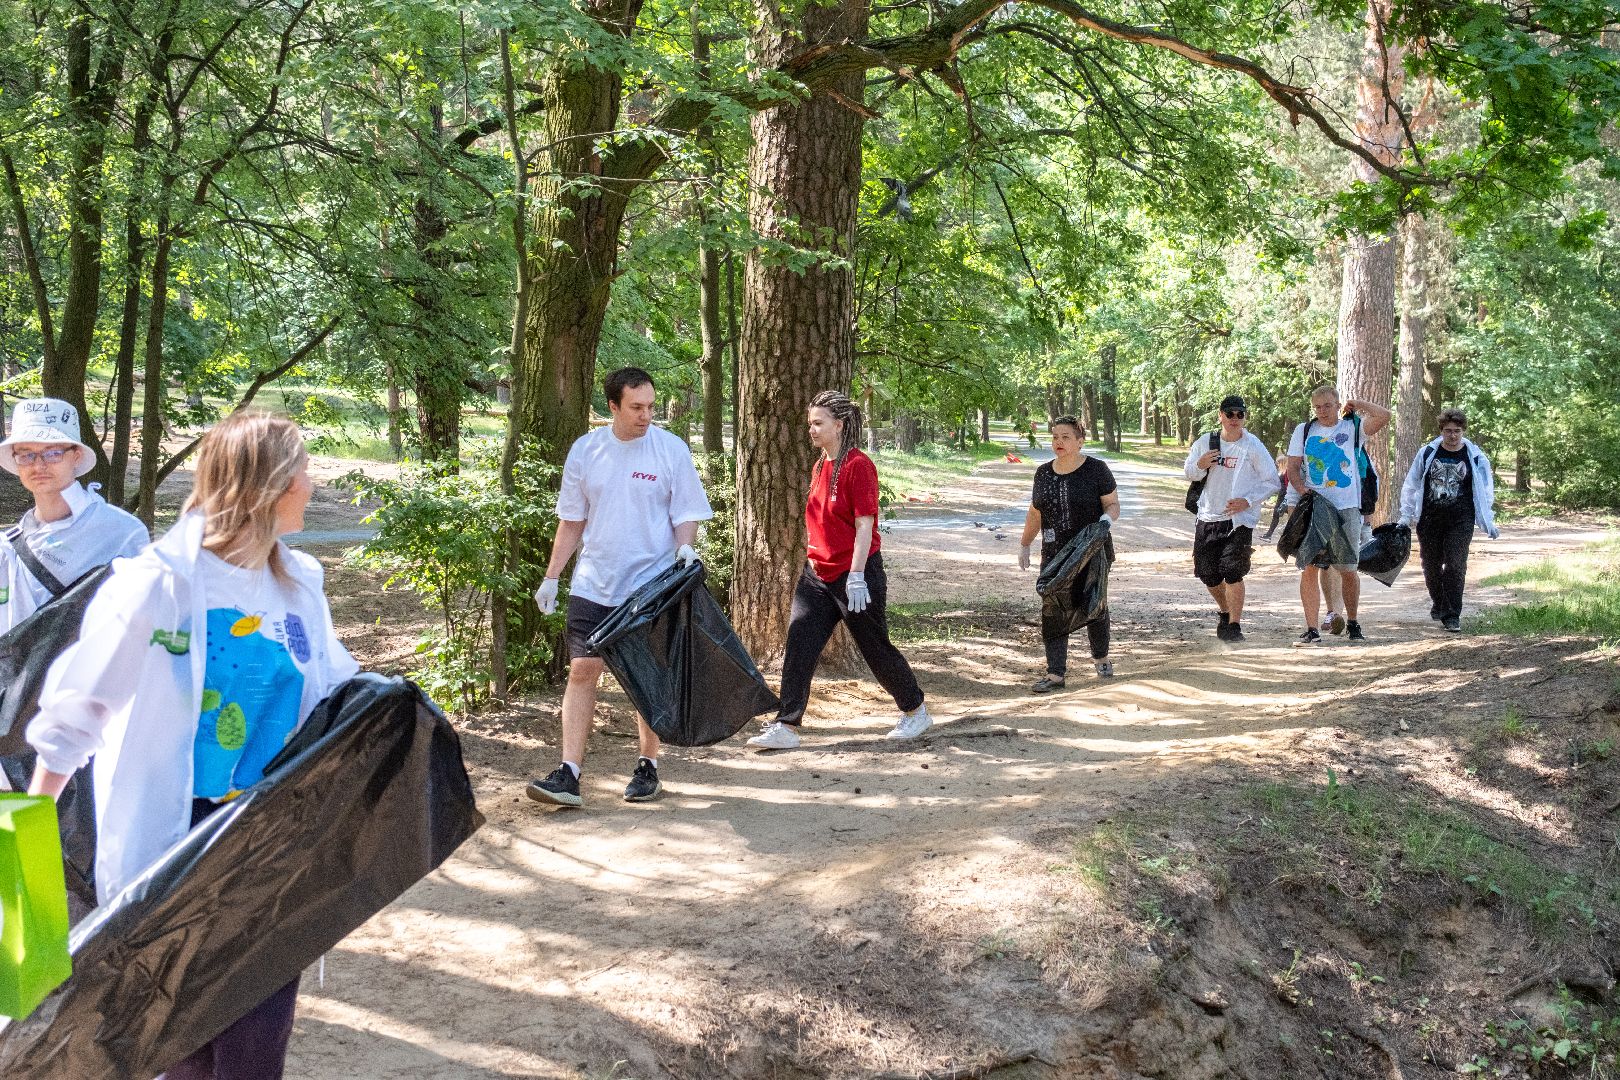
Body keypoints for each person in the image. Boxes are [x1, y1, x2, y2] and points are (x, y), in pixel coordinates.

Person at [26, 410, 359, 1080]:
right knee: (179, 1044)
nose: (313, 484)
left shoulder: (299, 585)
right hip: (174, 847)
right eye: (302, 470)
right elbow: (80, 707)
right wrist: (27, 844)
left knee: (254, 1043)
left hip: (265, 846)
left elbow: (336, 692)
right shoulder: (157, 584)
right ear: (268, 483)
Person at [529, 367, 713, 806]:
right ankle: (569, 773)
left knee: (646, 678)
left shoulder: (670, 450)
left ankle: (648, 766)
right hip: (595, 582)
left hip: (650, 587)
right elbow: (572, 519)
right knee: (582, 671)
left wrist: (685, 550)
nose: (646, 415)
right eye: (636, 407)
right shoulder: (586, 450)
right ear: (612, 406)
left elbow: (686, 510)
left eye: (650, 406)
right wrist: (552, 576)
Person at [748, 391, 931, 749]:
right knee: (800, 643)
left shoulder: (858, 465)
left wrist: (858, 576)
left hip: (855, 575)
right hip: (817, 574)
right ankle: (786, 725)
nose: (812, 430)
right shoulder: (821, 464)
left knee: (874, 647)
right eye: (810, 424)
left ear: (840, 425)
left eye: (819, 423)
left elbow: (865, 526)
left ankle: (915, 710)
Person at [0, 397, 147, 633]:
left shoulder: (123, 533)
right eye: (26, 455)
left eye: (53, 452)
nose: (38, 465)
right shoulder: (7, 547)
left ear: (76, 456)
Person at [1019, 416, 1120, 691]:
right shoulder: (1043, 473)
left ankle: (1101, 658)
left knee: (1093, 602)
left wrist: (1105, 522)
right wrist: (1025, 543)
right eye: (1055, 437)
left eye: (1065, 437)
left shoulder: (1096, 469)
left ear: (1079, 441)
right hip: (1055, 553)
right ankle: (1055, 674)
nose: (1059, 442)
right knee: (1052, 607)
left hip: (1091, 550)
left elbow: (1112, 504)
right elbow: (1035, 513)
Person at [1285, 385, 1390, 646]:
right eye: (1317, 407)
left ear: (1337, 404)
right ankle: (1311, 628)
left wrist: (1358, 403)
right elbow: (1293, 467)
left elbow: (1385, 416)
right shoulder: (1304, 431)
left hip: (1346, 508)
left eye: (1327, 406)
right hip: (1315, 508)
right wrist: (1301, 490)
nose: (1322, 411)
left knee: (1347, 568)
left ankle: (1353, 622)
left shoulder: (1351, 428)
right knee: (1308, 567)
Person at [1182, 395, 1277, 642]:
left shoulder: (1252, 445)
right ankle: (1225, 612)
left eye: (1240, 414)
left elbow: (1272, 481)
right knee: (1207, 574)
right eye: (1229, 413)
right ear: (1220, 415)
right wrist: (1201, 464)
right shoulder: (1206, 442)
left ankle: (1234, 625)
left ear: (1245, 417)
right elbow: (1189, 472)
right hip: (1208, 515)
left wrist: (1249, 500)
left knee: (1233, 571)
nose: (1234, 418)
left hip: (1239, 519)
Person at [1398, 408, 1499, 632]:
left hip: (1461, 519)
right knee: (1431, 566)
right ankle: (1440, 602)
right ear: (1441, 431)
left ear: (1463, 431)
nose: (1452, 436)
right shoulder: (1427, 453)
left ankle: (1452, 615)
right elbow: (1412, 483)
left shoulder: (1474, 457)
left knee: (1455, 564)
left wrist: (1488, 518)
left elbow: (1484, 489)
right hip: (1430, 519)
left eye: (1457, 431)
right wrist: (1406, 514)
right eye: (1448, 431)